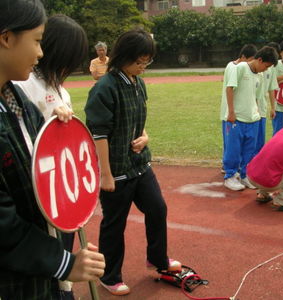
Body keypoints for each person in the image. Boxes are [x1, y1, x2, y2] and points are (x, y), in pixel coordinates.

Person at [0, 1, 105, 299]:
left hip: (36, 274)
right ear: (7, 38)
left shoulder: (17, 100)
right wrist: (64, 263)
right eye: (36, 41)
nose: (40, 53)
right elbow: (4, 226)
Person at [84, 28, 181, 296]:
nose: (143, 67)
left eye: (146, 62)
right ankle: (109, 275)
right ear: (123, 57)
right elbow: (99, 133)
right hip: (115, 169)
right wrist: (105, 174)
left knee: (157, 208)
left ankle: (157, 259)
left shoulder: (138, 83)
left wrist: (145, 137)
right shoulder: (104, 88)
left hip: (140, 163)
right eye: (139, 62)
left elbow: (139, 122)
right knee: (115, 224)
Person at [14, 14, 89, 300]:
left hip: (60, 194)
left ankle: (64, 289)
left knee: (63, 247)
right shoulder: (24, 85)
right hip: (35, 193)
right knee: (43, 257)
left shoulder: (60, 90)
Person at [222, 46, 278, 191]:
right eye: (266, 66)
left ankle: (244, 175)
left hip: (253, 119)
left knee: (250, 149)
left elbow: (258, 97)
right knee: (233, 149)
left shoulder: (259, 76)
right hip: (237, 118)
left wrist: (257, 114)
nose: (266, 70)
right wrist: (231, 112)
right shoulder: (240, 68)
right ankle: (230, 176)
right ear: (259, 60)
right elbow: (229, 88)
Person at [220, 44, 257, 174]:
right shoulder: (234, 67)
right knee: (231, 143)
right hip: (230, 112)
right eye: (250, 60)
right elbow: (229, 87)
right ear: (242, 57)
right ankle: (228, 167)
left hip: (238, 111)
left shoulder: (242, 68)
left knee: (239, 143)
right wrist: (231, 111)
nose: (251, 63)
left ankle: (239, 169)